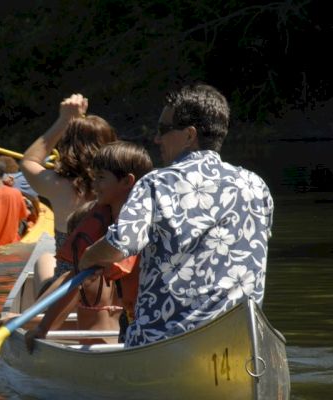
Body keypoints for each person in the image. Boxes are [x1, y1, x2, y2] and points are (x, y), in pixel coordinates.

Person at [78, 83, 275, 347]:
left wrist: (88, 257)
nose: (157, 139)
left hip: (166, 341)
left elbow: (121, 244)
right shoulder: (256, 185)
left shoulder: (156, 183)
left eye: (163, 130)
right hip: (243, 339)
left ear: (189, 135)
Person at [25, 141, 154, 351]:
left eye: (101, 178)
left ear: (127, 182)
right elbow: (75, 281)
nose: (94, 185)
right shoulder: (101, 220)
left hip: (152, 321)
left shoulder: (148, 223)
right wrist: (43, 329)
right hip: (131, 322)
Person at [20, 93, 117, 294]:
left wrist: (64, 120)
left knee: (44, 259)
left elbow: (28, 162)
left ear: (67, 146)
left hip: (67, 288)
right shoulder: (123, 185)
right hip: (112, 285)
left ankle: (44, 310)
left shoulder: (58, 185)